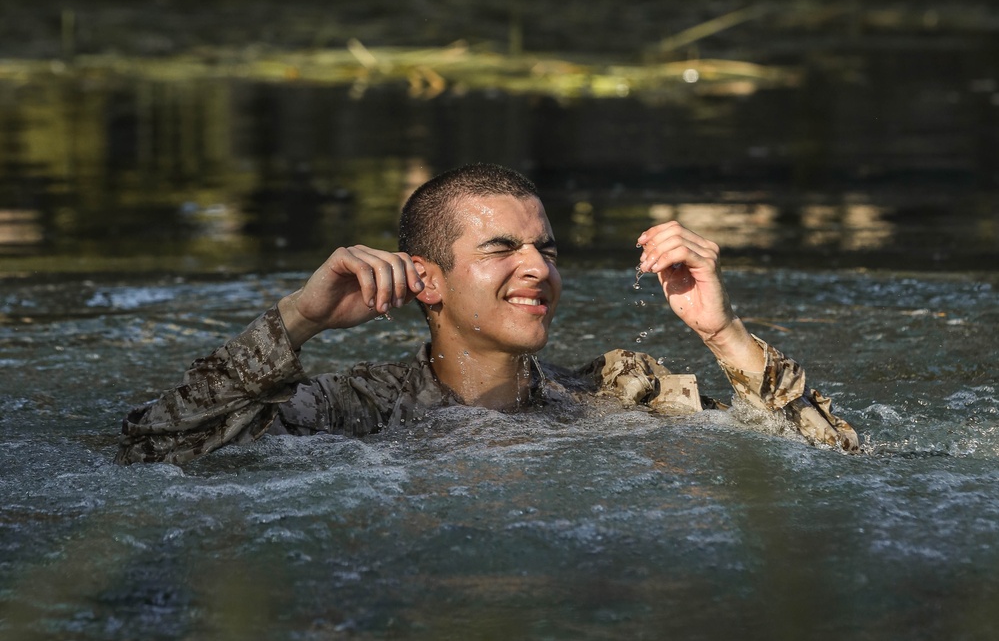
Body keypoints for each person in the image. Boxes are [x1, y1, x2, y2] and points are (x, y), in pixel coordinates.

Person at [115, 164, 858, 465]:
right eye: (501, 249)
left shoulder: (614, 390)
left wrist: (716, 331)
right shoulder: (349, 407)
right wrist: (297, 320)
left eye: (546, 249)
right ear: (425, 281)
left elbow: (833, 459)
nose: (538, 267)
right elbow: (155, 448)